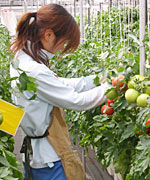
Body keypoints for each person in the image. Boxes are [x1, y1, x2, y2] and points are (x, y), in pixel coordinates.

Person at [9, 4, 109, 180]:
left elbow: (57, 85)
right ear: (48, 35)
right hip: (48, 159)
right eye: (63, 42)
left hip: (35, 155)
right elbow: (77, 101)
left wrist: (96, 80)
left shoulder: (22, 60)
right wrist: (111, 89)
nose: (62, 48)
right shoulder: (34, 70)